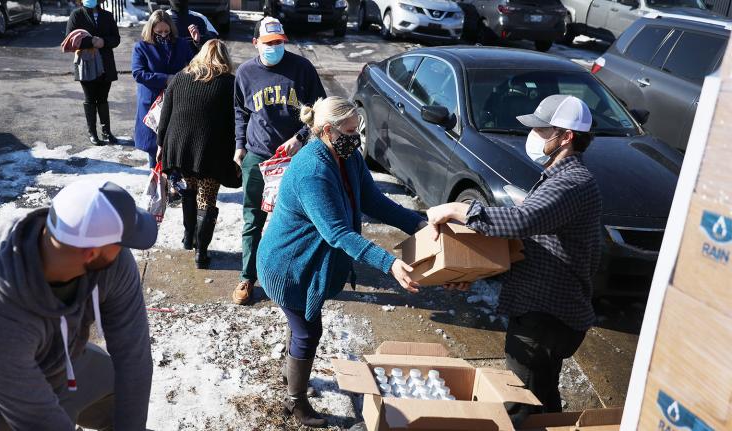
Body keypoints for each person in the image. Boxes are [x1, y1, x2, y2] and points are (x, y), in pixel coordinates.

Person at [426, 95, 603, 420]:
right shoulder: (560, 177)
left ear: (566, 137)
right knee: (543, 399)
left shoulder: (571, 183)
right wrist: (470, 268)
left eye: (541, 129)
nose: (533, 136)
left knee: (521, 408)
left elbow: (521, 222)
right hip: (544, 310)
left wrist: (456, 208)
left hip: (546, 317)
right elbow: (530, 240)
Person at [258, 96, 426, 427]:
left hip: (308, 263)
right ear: (328, 130)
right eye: (350, 131)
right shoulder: (311, 171)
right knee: (308, 331)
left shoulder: (346, 156)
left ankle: (289, 371)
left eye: (357, 129)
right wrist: (389, 263)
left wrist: (416, 223)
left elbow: (374, 200)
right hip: (289, 268)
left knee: (301, 327)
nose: (356, 137)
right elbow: (337, 233)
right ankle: (297, 402)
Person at [0, 179, 156, 430]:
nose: (124, 249)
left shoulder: (111, 262)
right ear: (90, 253)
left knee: (125, 395)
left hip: (66, 363)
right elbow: (37, 421)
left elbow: (133, 355)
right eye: (120, 244)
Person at [233, 16, 326, 305]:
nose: (275, 47)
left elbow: (320, 109)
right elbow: (240, 111)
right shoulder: (246, 73)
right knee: (253, 217)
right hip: (258, 157)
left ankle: (293, 275)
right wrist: (239, 146)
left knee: (298, 218)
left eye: (279, 42)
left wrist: (300, 136)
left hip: (295, 159)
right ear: (255, 43)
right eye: (269, 43)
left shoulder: (302, 68)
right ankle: (247, 278)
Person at [156, 40, 240, 269]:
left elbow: (165, 114)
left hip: (180, 147)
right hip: (212, 151)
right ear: (224, 58)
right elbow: (236, 120)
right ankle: (201, 252)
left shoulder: (179, 78)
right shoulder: (230, 83)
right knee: (207, 198)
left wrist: (160, 144)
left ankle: (188, 236)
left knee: (188, 191)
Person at [132, 10, 194, 169]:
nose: (164, 35)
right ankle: (156, 181)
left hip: (177, 99)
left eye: (167, 31)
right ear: (151, 29)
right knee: (154, 147)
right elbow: (138, 73)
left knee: (174, 143)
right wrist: (166, 79)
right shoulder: (141, 47)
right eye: (159, 32)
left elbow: (193, 65)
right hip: (152, 101)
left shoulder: (181, 43)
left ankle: (173, 183)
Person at [66, 0, 120, 146]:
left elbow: (116, 38)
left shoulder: (107, 15)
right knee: (90, 98)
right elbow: (70, 39)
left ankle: (106, 131)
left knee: (103, 98)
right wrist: (91, 42)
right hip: (87, 63)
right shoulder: (76, 15)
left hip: (105, 63)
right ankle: (92, 132)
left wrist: (104, 41)